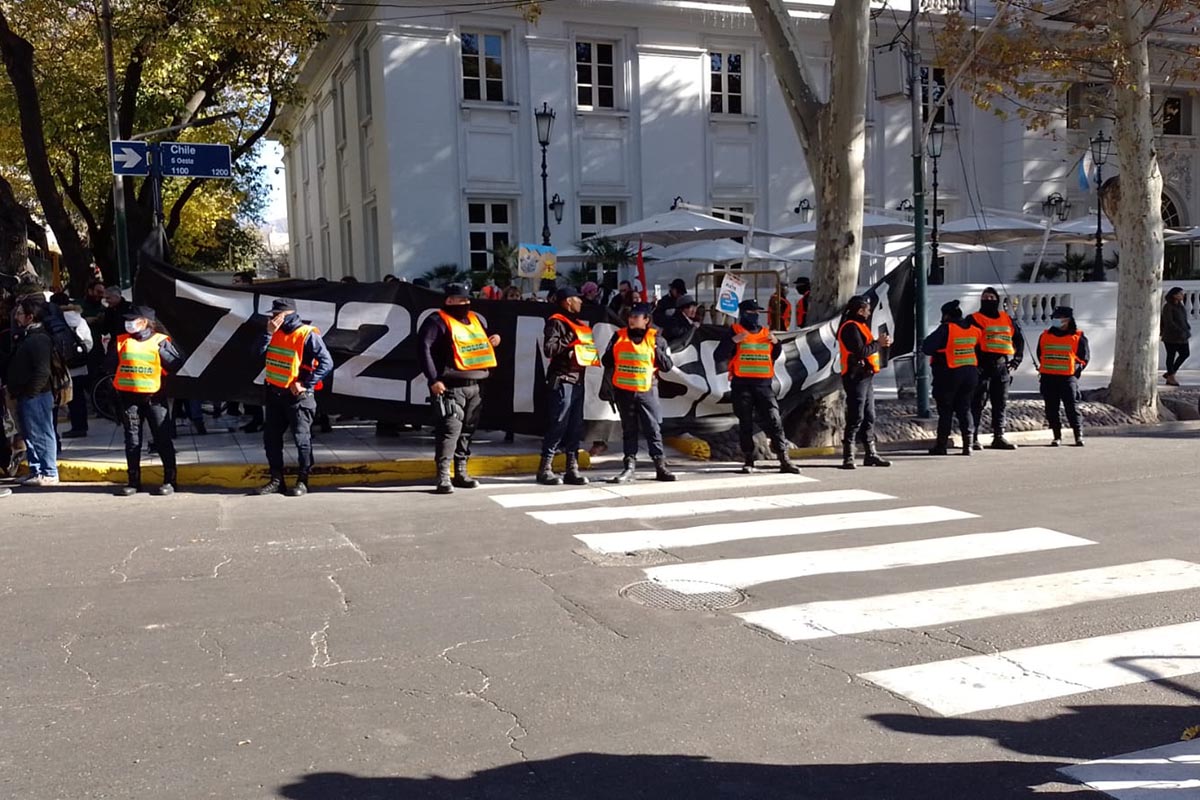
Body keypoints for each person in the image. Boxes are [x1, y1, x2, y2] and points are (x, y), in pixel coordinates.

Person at [418, 283, 501, 494]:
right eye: (461, 300)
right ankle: (443, 476)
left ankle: (461, 472)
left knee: (467, 431)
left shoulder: (474, 319)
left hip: (476, 384)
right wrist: (433, 379)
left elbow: (485, 337)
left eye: (467, 299)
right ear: (449, 301)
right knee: (450, 431)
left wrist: (495, 338)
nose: (466, 303)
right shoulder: (437, 321)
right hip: (451, 386)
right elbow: (424, 349)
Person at [256, 298, 334, 497]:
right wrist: (268, 333)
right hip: (274, 394)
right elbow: (256, 355)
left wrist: (305, 383)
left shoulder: (307, 334)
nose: (272, 318)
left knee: (302, 440)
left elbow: (326, 363)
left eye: (276, 314)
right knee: (271, 439)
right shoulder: (273, 333)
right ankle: (276, 480)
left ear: (286, 315)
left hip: (297, 398)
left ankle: (303, 480)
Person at [107, 305, 186, 496]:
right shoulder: (120, 341)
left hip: (154, 398)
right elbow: (109, 366)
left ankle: (170, 481)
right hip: (129, 398)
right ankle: (133, 481)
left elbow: (176, 364)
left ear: (145, 322)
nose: (129, 324)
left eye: (133, 320)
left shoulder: (161, 341)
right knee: (132, 440)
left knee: (162, 439)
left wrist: (165, 353)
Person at [715, 299, 800, 474]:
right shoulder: (735, 331)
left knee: (774, 421)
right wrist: (733, 341)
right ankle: (749, 460)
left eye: (757, 313)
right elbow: (719, 355)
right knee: (745, 423)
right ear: (743, 314)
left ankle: (784, 459)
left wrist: (776, 343)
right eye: (751, 313)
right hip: (742, 386)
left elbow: (774, 354)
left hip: (763, 386)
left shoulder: (766, 333)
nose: (755, 316)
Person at [601, 303, 675, 483]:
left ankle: (660, 467)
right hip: (624, 392)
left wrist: (656, 348)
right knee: (629, 430)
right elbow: (606, 360)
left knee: (653, 429)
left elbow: (667, 366)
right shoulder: (618, 336)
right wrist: (613, 350)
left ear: (646, 320)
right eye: (631, 317)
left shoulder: (656, 338)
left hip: (647, 391)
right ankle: (629, 468)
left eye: (636, 317)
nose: (632, 319)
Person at [538, 286, 599, 486]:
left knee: (575, 427)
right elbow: (549, 349)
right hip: (562, 381)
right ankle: (545, 468)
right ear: (567, 301)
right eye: (577, 299)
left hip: (578, 380)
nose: (581, 302)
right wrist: (569, 341)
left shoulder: (579, 323)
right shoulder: (556, 321)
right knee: (558, 425)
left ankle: (571, 469)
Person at [7, 295, 58, 486]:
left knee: (41, 434)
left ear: (30, 317)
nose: (16, 317)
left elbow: (42, 371)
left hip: (36, 396)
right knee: (30, 436)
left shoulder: (38, 339)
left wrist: (31, 392)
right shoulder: (27, 336)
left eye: (20, 314)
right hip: (26, 395)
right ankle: (36, 470)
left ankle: (49, 471)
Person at [836, 295, 892, 470]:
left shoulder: (860, 326)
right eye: (867, 310)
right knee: (856, 415)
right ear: (860, 310)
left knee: (869, 415)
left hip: (866, 376)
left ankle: (871, 453)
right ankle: (848, 456)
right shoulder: (850, 328)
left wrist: (882, 344)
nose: (868, 313)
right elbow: (860, 351)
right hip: (855, 377)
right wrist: (878, 343)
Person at [966, 286, 1023, 450]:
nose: (988, 300)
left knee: (1000, 403)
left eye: (992, 298)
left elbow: (1018, 340)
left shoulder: (1006, 319)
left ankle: (998, 436)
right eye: (985, 298)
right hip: (981, 366)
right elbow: (967, 340)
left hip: (1001, 365)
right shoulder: (973, 318)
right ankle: (973, 437)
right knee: (977, 403)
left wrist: (1016, 360)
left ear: (997, 300)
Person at [923, 300, 981, 456]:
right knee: (965, 409)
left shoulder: (946, 328)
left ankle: (941, 446)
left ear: (946, 315)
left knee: (946, 410)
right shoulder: (974, 330)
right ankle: (968, 445)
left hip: (949, 374)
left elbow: (927, 347)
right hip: (970, 375)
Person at [1038, 305, 1090, 447]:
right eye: (1055, 318)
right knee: (1051, 409)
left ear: (1069, 320)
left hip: (1068, 378)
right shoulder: (1045, 335)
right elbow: (1040, 353)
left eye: (1061, 318)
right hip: (1048, 377)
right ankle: (1057, 436)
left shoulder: (1078, 336)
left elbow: (1084, 358)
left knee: (1072, 408)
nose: (1057, 321)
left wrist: (1076, 370)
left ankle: (1078, 436)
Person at [50, 293, 94, 439]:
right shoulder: (78, 319)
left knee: (63, 398)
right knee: (79, 398)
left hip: (62, 367)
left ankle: (72, 427)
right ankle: (80, 426)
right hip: (80, 365)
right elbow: (88, 341)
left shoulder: (54, 321)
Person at [1161, 286, 1190, 386]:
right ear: (1174, 295)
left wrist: (1186, 328)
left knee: (1185, 353)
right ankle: (1171, 377)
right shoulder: (1168, 307)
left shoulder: (1180, 306)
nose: (1183, 295)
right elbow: (1169, 322)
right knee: (1171, 356)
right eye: (1180, 293)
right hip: (1171, 336)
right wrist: (1179, 330)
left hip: (1182, 336)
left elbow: (1183, 319)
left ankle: (1170, 373)